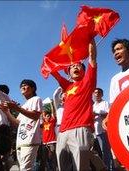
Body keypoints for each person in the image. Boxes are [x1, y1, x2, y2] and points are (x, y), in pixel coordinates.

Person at [50, 38, 96, 170]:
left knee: (81, 167)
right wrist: (48, 59)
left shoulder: (88, 81)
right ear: (69, 72)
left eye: (79, 65)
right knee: (62, 166)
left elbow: (92, 58)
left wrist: (90, 37)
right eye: (72, 66)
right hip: (62, 132)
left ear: (83, 70)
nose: (75, 66)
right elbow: (54, 73)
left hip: (80, 128)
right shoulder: (67, 86)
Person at [0, 79, 42, 171]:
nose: (22, 87)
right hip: (21, 141)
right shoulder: (24, 105)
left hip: (30, 139)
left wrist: (16, 108)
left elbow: (35, 116)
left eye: (25, 85)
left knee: (25, 169)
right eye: (21, 86)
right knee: (23, 168)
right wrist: (6, 112)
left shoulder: (36, 99)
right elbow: (17, 123)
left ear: (33, 88)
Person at [93, 88, 114, 171]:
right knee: (101, 152)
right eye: (95, 93)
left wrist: (97, 114)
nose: (96, 94)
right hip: (95, 132)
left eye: (98, 92)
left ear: (102, 94)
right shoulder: (93, 105)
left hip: (104, 131)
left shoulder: (105, 103)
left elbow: (109, 115)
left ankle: (109, 168)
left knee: (105, 152)